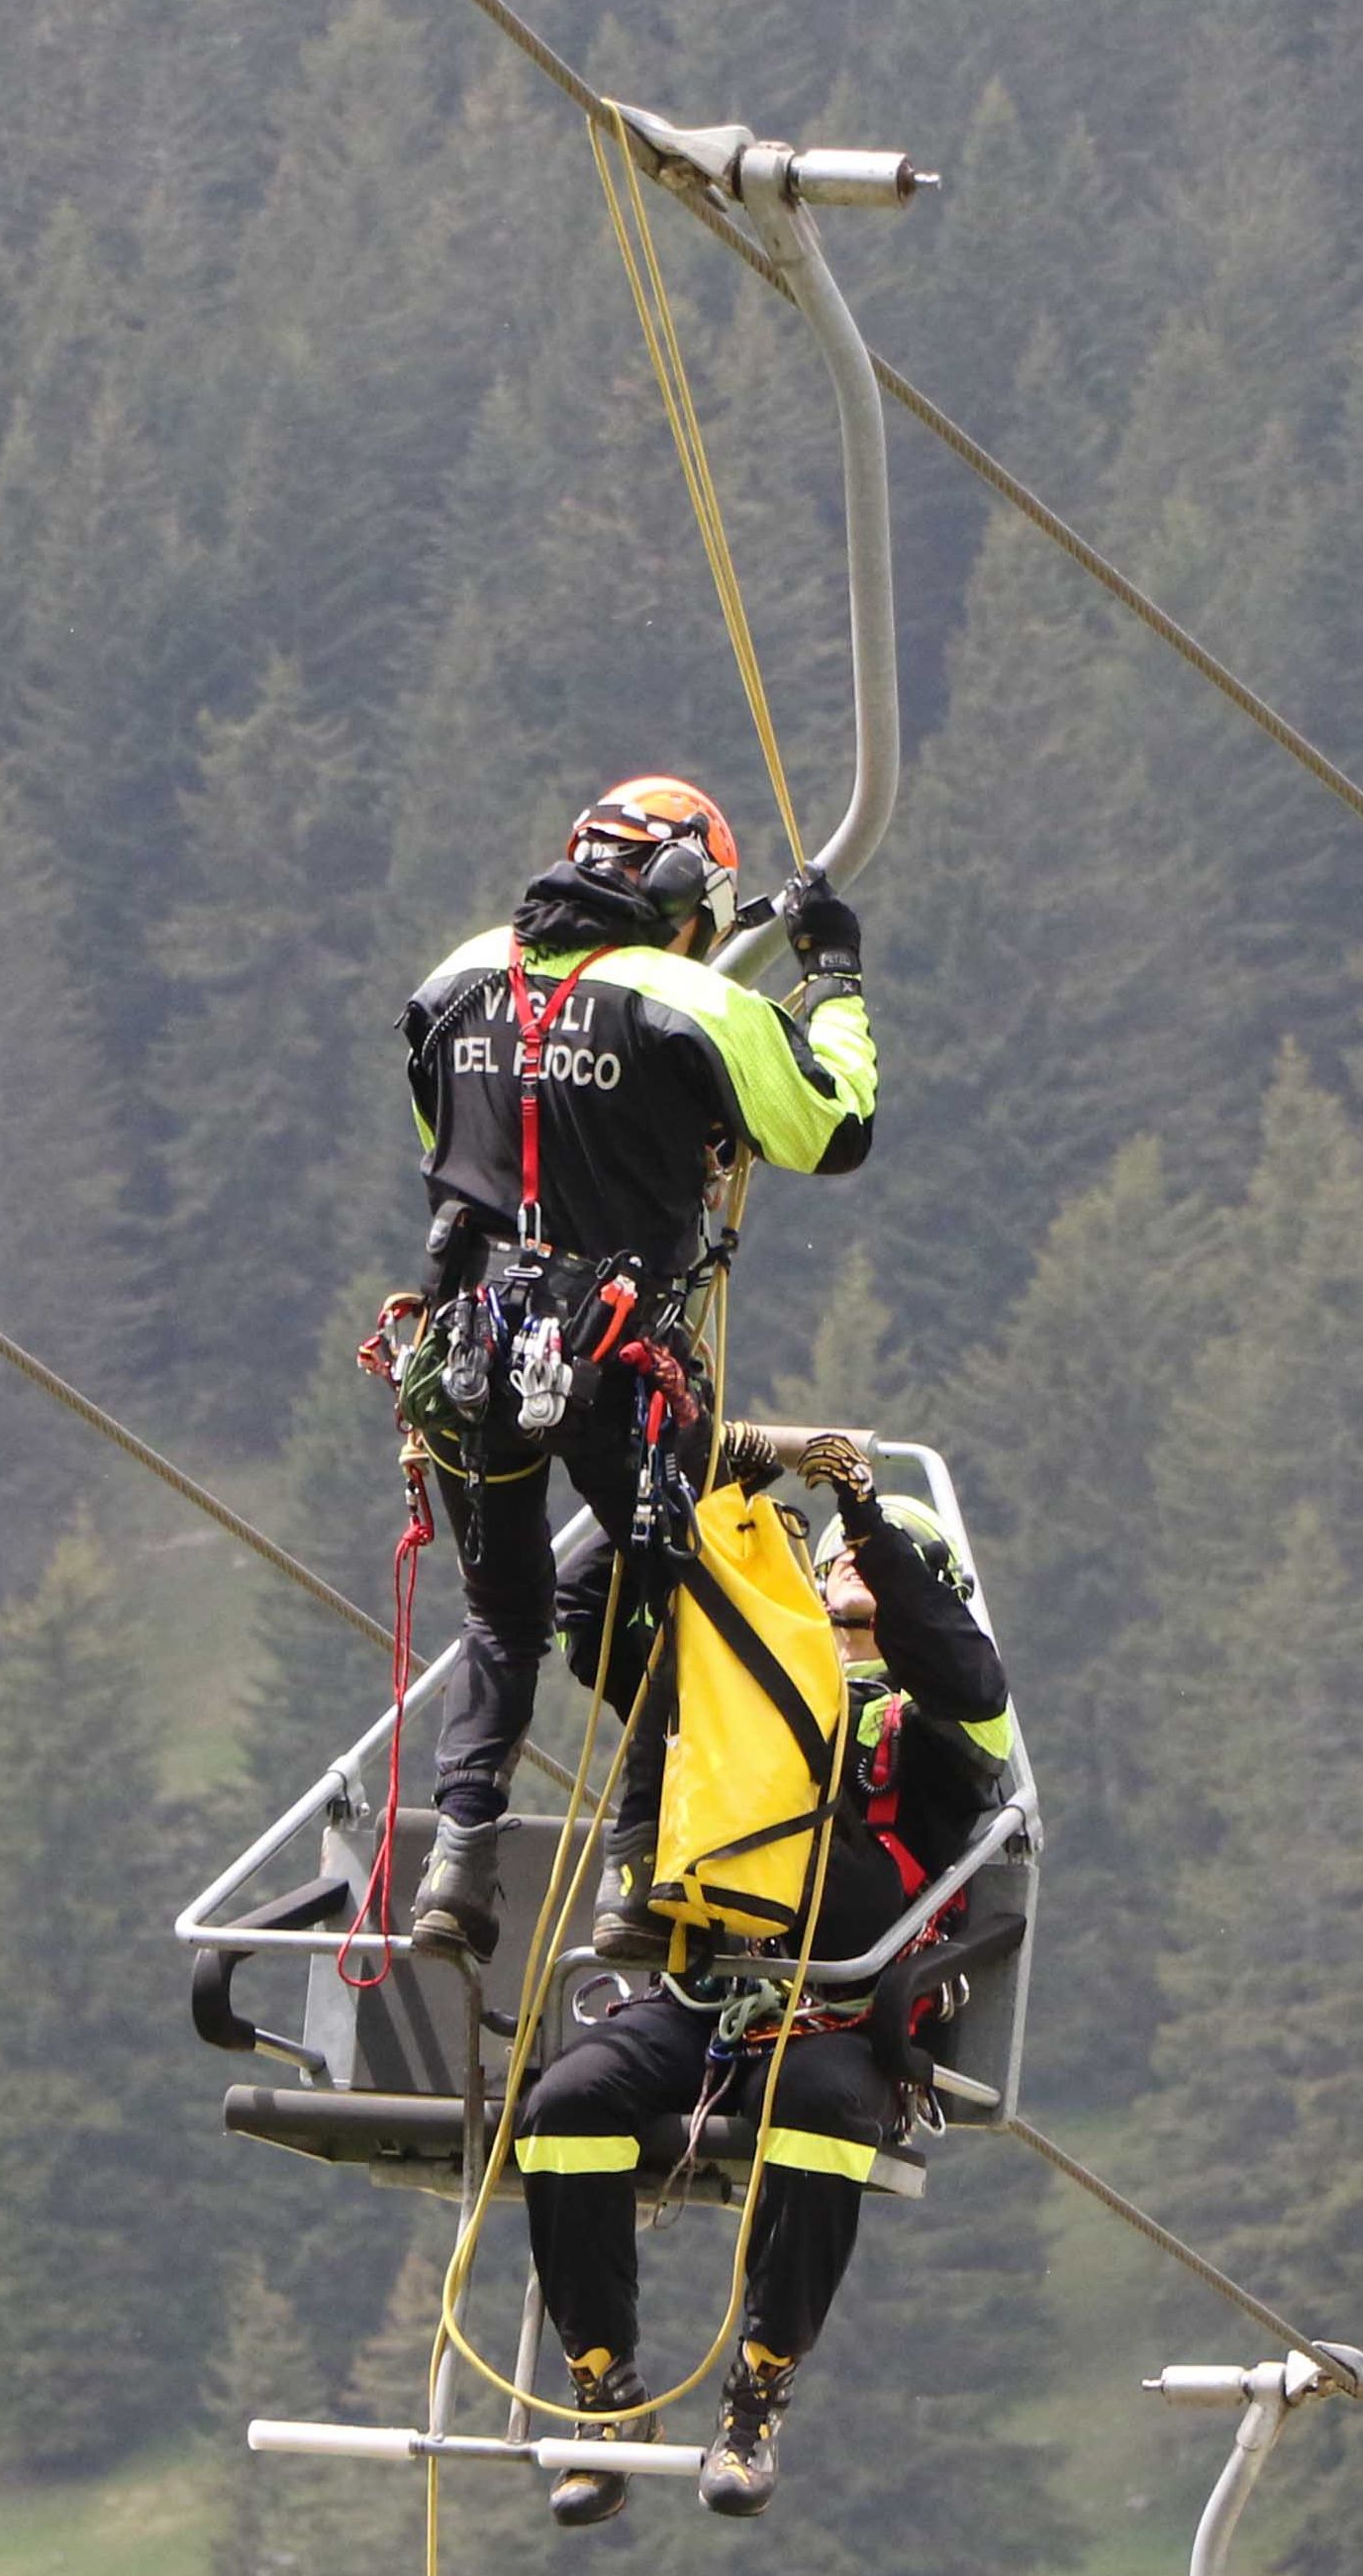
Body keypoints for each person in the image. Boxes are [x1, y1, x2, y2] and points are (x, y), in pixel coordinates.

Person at [388, 775, 875, 1968]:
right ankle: (634, 1874)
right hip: (620, 1365)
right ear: (676, 900)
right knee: (679, 1611)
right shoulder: (687, 1001)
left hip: (470, 1350)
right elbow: (832, 1125)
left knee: (498, 1610)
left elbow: (447, 1151)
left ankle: (457, 1863)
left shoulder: (452, 983)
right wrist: (835, 982)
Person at [519, 1434, 1016, 2523]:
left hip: (838, 2016)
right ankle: (603, 2387)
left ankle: (758, 2386)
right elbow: (587, 1606)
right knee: (563, 2105)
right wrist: (689, 1473)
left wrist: (873, 1528)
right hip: (705, 1998)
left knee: (821, 2109)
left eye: (864, 1575)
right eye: (831, 1565)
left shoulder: (945, 1723)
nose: (841, 1581)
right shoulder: (738, 1684)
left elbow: (960, 1667)